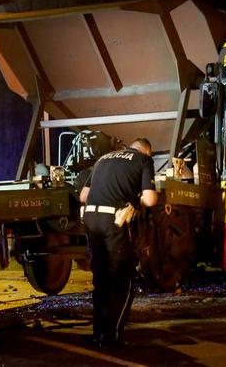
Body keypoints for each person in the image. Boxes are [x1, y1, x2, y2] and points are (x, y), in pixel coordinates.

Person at [79, 138, 158, 347]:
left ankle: (97, 334)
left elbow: (83, 195)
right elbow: (150, 200)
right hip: (114, 221)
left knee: (101, 278)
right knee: (122, 279)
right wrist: (134, 199)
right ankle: (111, 336)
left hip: (90, 219)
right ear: (147, 152)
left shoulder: (102, 159)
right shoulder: (143, 160)